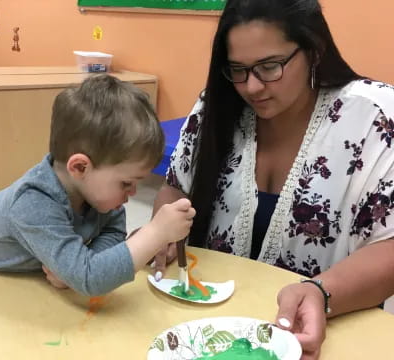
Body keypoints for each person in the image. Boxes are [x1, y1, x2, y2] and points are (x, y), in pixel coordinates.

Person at [151, 0, 394, 358]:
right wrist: (161, 234)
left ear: (314, 49)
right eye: (237, 69)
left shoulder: (374, 119)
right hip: (210, 335)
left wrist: (321, 292)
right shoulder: (216, 107)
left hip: (321, 337)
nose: (251, 87)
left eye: (269, 66)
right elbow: (175, 187)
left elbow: (388, 244)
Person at [0, 74, 195, 296]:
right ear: (80, 167)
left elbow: (112, 232)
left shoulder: (98, 194)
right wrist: (155, 232)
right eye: (126, 183)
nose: (131, 194)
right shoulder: (33, 202)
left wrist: (74, 270)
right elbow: (91, 280)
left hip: (22, 281)